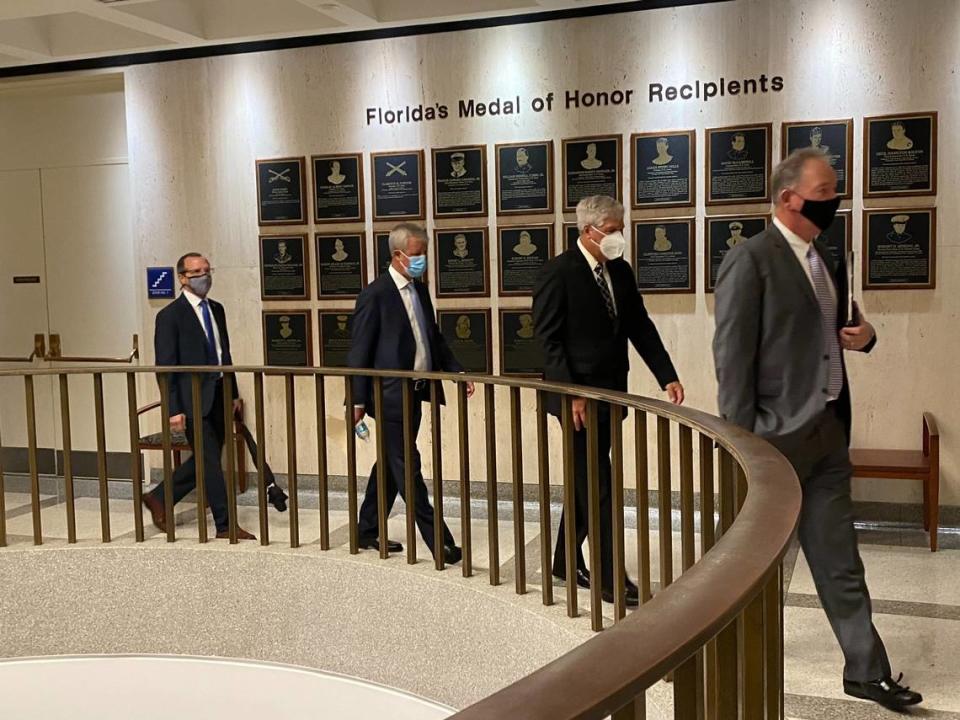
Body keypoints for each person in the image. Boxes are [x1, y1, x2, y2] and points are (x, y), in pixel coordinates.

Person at [712, 148, 922, 712]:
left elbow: (839, 331)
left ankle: (865, 671)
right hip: (771, 442)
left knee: (839, 557)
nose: (835, 201)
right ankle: (721, 659)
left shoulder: (825, 258)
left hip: (828, 433)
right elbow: (732, 360)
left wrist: (869, 335)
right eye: (825, 191)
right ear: (789, 197)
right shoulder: (749, 261)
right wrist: (744, 443)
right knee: (749, 565)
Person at [533, 195, 684, 607]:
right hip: (576, 401)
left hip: (611, 392)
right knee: (600, 483)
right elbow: (547, 340)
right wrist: (574, 392)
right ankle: (608, 576)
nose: (619, 235)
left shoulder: (619, 270)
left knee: (588, 477)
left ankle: (565, 561)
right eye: (613, 228)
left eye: (621, 227)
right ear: (588, 231)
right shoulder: (558, 272)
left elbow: (639, 325)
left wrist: (666, 374)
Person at [348, 223, 475, 563]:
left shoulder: (419, 290)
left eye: (423, 254)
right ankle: (439, 541)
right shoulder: (375, 295)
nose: (421, 260)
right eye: (416, 255)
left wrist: (457, 372)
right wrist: (357, 400)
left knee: (391, 463)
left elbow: (432, 336)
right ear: (397, 255)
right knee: (408, 465)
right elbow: (359, 350)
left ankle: (366, 529)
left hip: (416, 392)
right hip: (389, 396)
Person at [145, 253, 256, 540]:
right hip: (191, 398)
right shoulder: (169, 316)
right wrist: (173, 409)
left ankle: (159, 496)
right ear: (182, 277)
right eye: (196, 272)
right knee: (210, 463)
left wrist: (231, 392)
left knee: (207, 459)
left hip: (219, 394)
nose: (203, 276)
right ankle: (224, 524)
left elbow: (224, 354)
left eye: (207, 270)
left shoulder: (216, 309)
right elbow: (165, 368)